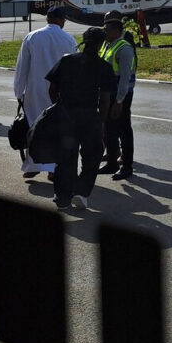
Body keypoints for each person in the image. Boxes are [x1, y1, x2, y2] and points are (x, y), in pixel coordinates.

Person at [45, 27, 114, 210]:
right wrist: (101, 122)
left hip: (66, 115)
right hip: (90, 117)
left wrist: (59, 108)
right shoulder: (104, 67)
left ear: (83, 41)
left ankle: (62, 197)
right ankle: (81, 192)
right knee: (92, 156)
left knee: (66, 156)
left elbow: (52, 89)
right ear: (101, 45)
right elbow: (105, 100)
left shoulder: (67, 60)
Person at [14, 6, 77, 178]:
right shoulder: (69, 39)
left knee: (33, 129)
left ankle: (33, 166)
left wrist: (19, 93)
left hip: (34, 91)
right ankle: (54, 168)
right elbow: (73, 69)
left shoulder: (32, 37)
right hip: (59, 93)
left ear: (48, 18)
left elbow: (22, 68)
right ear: (62, 20)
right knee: (57, 130)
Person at [98, 12, 137, 181]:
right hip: (108, 95)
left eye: (106, 30)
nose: (104, 33)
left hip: (121, 96)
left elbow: (125, 78)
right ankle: (112, 163)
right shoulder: (107, 45)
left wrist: (119, 102)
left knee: (123, 130)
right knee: (108, 130)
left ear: (116, 30)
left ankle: (127, 166)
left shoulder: (124, 48)